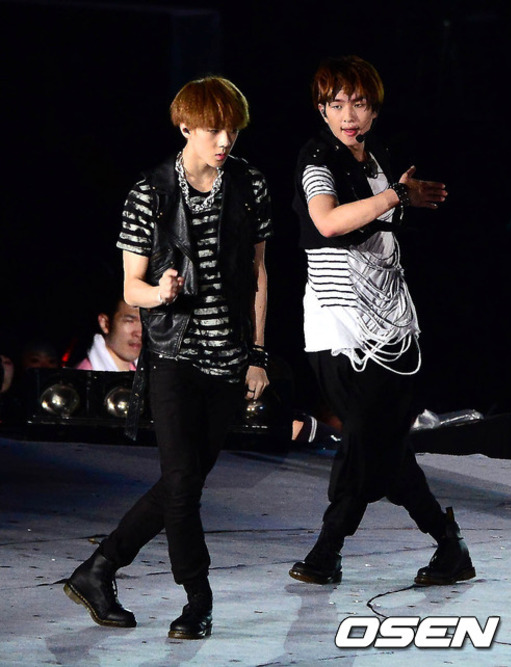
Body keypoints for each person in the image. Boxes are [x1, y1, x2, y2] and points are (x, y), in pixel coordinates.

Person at [63, 76, 272, 639]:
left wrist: (257, 354)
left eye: (232, 130)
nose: (224, 140)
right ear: (185, 126)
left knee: (185, 483)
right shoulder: (150, 192)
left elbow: (258, 272)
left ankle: (98, 569)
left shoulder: (249, 184)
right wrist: (161, 292)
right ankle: (197, 598)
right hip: (173, 354)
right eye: (213, 129)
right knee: (181, 480)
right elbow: (131, 287)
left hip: (229, 359)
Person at [289, 55, 475, 588]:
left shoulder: (379, 161)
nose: (349, 115)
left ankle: (437, 549)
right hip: (338, 329)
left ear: (374, 110)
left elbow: (381, 226)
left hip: (394, 328)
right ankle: (337, 550)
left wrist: (402, 199)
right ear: (322, 109)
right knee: (372, 440)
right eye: (337, 104)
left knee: (377, 444)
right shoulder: (316, 159)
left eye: (360, 103)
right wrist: (395, 196)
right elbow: (327, 221)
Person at [75, 293, 142, 371]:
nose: (139, 333)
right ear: (105, 323)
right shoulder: (86, 375)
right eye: (129, 321)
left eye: (145, 322)